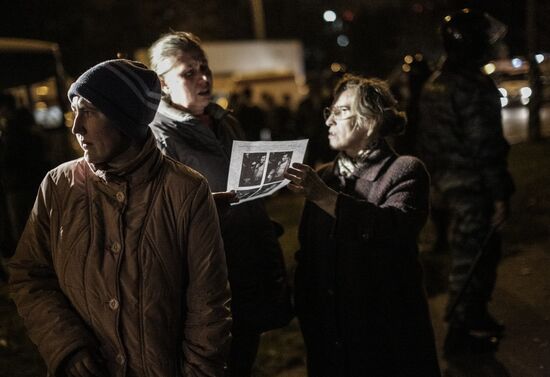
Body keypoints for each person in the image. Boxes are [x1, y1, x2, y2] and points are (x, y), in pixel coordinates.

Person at [8, 59, 231, 377]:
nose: (76, 126)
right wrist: (66, 347)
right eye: (75, 110)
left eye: (90, 111)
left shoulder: (186, 190)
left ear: (126, 120)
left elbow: (208, 305)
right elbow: (29, 276)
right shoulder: (58, 186)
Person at [148, 32, 293, 377]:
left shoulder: (227, 122)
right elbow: (157, 213)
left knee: (244, 355)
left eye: (205, 67)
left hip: (247, 261)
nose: (203, 78)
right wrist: (205, 208)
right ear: (163, 84)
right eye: (188, 72)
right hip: (205, 274)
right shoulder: (156, 135)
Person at [284, 74, 441, 377]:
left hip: (385, 339)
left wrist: (325, 198)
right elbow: (308, 254)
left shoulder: (404, 171)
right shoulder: (326, 176)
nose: (329, 120)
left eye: (341, 111)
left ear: (370, 120)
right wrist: (308, 312)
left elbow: (392, 230)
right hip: (330, 340)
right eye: (329, 111)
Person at [416, 9, 515, 355]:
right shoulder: (472, 84)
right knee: (474, 256)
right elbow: (485, 143)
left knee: (470, 252)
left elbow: (428, 140)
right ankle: (459, 330)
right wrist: (500, 193)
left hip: (447, 184)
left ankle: (475, 316)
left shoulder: (435, 82)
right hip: (473, 187)